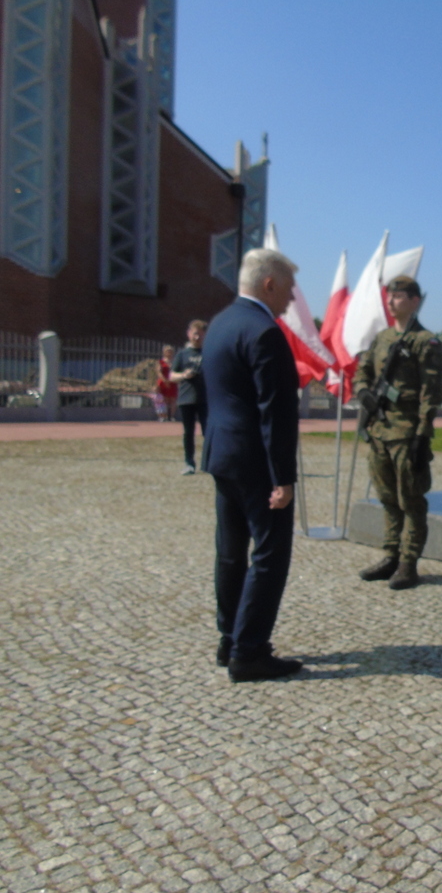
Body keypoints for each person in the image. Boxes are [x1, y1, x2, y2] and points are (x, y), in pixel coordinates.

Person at [200, 248, 303, 683]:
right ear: (269, 284)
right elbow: (275, 413)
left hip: (223, 454)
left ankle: (229, 638)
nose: (293, 297)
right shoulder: (264, 332)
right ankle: (250, 651)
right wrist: (284, 478)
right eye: (290, 288)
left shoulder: (219, 324)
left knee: (230, 552)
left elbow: (212, 397)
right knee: (269, 554)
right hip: (258, 463)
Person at [353, 275, 442, 590]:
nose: (392, 301)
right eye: (390, 296)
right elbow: (362, 372)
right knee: (387, 497)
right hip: (379, 427)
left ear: (415, 300)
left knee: (411, 500)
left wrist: (422, 433)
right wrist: (364, 392)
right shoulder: (381, 338)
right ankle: (390, 554)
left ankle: (408, 562)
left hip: (407, 432)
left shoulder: (425, 341)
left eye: (399, 296)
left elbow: (432, 393)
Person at [170, 320, 207, 474]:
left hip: (206, 399)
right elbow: (172, 376)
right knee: (188, 432)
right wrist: (184, 375)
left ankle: (208, 463)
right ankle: (189, 463)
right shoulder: (182, 354)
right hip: (187, 399)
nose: (197, 337)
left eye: (200, 333)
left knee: (209, 432)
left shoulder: (209, 352)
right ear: (189, 334)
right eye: (194, 333)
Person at [153, 345, 178, 422]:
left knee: (173, 399)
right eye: (167, 351)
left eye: (170, 351)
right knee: (164, 399)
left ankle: (172, 416)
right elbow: (158, 372)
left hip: (173, 382)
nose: (169, 353)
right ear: (164, 352)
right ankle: (164, 416)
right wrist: (164, 380)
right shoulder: (161, 361)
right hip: (163, 382)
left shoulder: (175, 361)